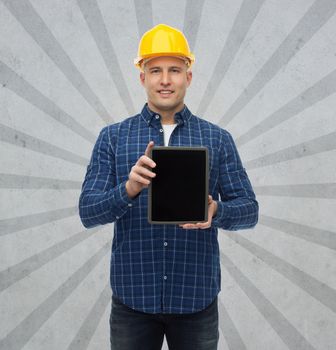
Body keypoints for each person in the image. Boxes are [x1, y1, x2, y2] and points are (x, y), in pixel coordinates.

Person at [79, 23, 258, 350]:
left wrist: (216, 210)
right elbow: (88, 212)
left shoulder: (217, 139)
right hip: (133, 300)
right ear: (142, 77)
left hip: (195, 300)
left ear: (188, 77)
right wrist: (129, 188)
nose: (165, 80)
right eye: (155, 70)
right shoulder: (113, 138)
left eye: (174, 70)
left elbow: (249, 211)